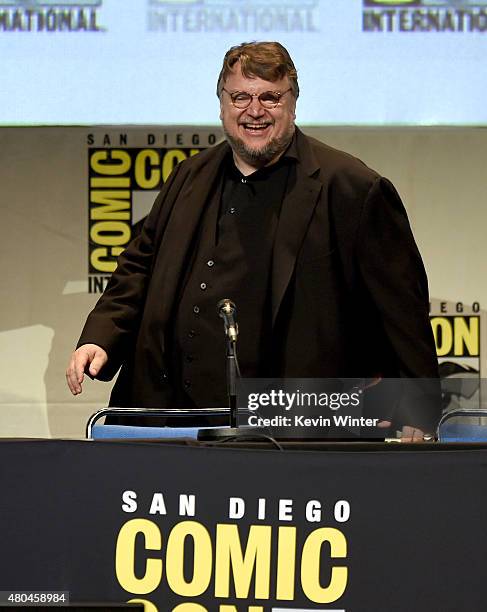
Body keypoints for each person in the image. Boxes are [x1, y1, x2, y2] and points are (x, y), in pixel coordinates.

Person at [66, 41, 439, 440]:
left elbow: (401, 307)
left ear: (292, 102)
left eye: (270, 97)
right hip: (169, 415)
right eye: (240, 96)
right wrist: (100, 338)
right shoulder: (189, 176)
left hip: (290, 426)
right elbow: (138, 267)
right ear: (222, 104)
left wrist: (416, 406)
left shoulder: (352, 188)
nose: (254, 110)